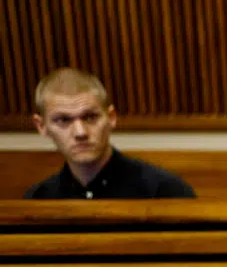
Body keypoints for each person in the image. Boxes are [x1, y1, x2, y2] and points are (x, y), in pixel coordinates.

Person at [25, 67, 195, 199]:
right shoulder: (38, 198)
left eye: (90, 117)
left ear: (111, 117)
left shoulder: (163, 191)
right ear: (41, 126)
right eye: (63, 120)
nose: (80, 132)